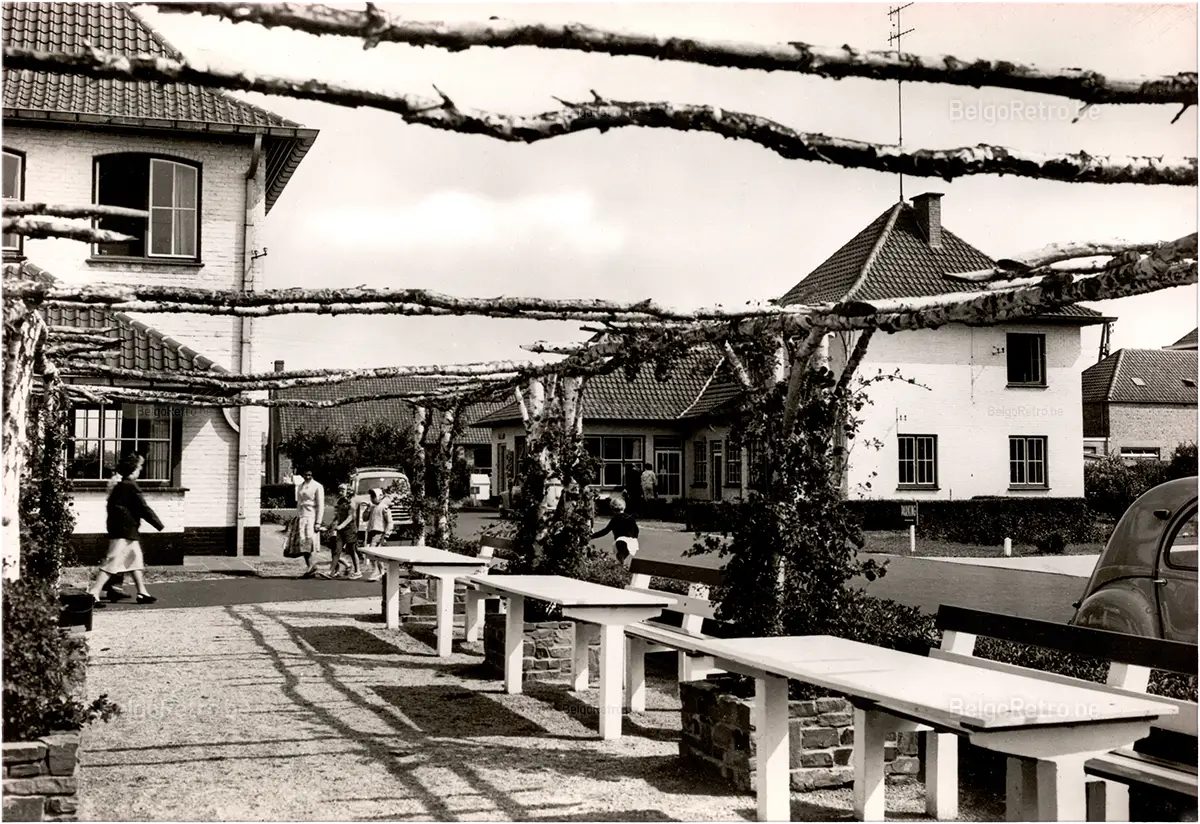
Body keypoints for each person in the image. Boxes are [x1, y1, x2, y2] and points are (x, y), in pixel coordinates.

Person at [88, 453, 163, 606]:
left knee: (135, 560)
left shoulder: (122, 485)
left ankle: (142, 592)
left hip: (125, 530)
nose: (141, 469)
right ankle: (93, 593)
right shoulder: (130, 485)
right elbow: (143, 508)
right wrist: (158, 524)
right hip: (124, 531)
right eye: (140, 466)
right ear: (133, 468)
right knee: (112, 562)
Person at [289, 468, 324, 578]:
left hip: (311, 516)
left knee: (309, 543)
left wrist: (318, 522)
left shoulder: (317, 486)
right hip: (301, 517)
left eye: (309, 474)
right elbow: (298, 503)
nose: (307, 476)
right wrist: (298, 516)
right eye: (305, 474)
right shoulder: (300, 486)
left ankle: (312, 566)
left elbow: (320, 505)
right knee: (303, 544)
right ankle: (310, 567)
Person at [323, 483, 361, 579]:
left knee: (351, 550)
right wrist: (329, 527)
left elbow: (351, 516)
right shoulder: (340, 501)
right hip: (341, 530)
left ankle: (358, 571)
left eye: (342, 490)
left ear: (348, 491)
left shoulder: (352, 502)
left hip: (350, 529)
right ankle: (330, 572)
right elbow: (337, 516)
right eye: (339, 490)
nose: (340, 492)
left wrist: (341, 526)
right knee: (337, 550)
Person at [590, 496, 640, 567]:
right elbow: (636, 531)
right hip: (632, 542)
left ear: (613, 509)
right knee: (622, 559)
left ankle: (621, 567)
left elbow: (605, 531)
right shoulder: (631, 518)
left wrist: (592, 536)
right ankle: (622, 566)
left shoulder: (615, 519)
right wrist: (633, 538)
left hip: (621, 541)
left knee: (620, 557)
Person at [362, 487, 393, 583]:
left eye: (374, 496)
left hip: (379, 532)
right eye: (371, 496)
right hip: (371, 532)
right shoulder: (372, 507)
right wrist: (367, 509)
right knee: (374, 554)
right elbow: (365, 518)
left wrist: (387, 534)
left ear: (379, 496)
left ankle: (377, 571)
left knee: (372, 552)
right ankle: (380, 571)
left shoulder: (384, 507)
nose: (372, 498)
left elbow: (390, 522)